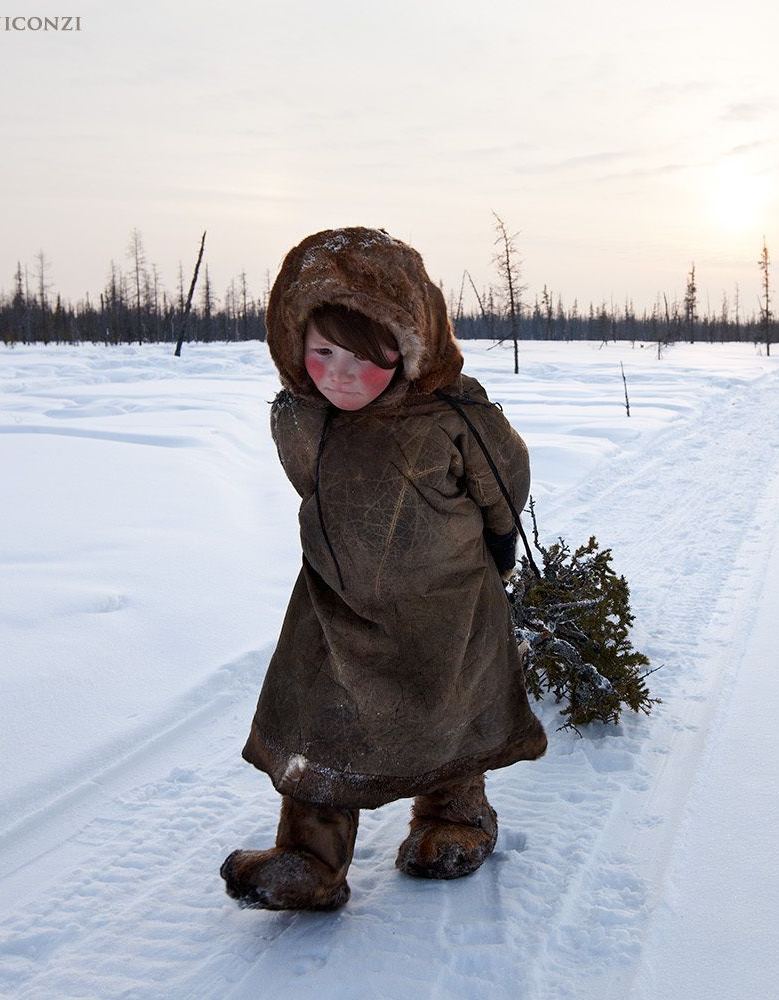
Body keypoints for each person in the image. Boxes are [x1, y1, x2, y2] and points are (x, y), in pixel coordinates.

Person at [220, 227, 547, 911]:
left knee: (445, 713)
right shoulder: (301, 417)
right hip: (335, 606)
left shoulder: (454, 414)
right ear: (294, 345)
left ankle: (454, 820)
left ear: (411, 346)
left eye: (366, 357)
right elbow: (314, 489)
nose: (340, 374)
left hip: (444, 604)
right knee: (323, 723)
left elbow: (503, 484)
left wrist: (494, 550)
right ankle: (309, 860)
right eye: (322, 352)